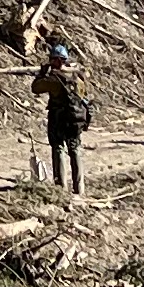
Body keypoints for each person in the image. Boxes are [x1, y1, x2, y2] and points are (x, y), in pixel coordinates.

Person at [36, 44, 90, 192]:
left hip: (59, 117)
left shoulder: (55, 79)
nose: (50, 62)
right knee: (75, 150)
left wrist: (42, 74)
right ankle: (80, 187)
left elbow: (35, 88)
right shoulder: (77, 76)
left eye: (52, 60)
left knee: (58, 148)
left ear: (59, 61)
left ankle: (61, 187)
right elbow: (84, 94)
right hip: (76, 118)